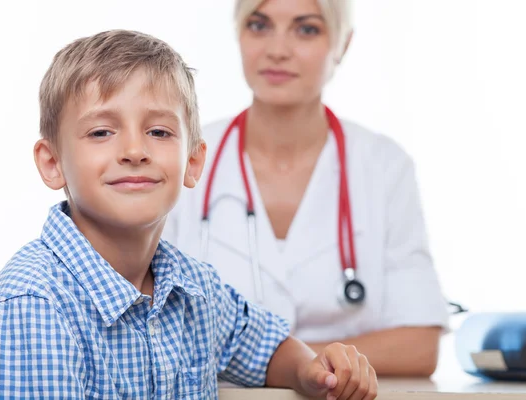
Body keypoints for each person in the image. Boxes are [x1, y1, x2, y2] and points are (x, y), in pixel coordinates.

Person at [0, 30, 378, 399]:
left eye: (159, 132)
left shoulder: (194, 289)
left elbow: (264, 346)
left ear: (193, 162)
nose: (135, 151)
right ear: (52, 163)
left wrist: (309, 370)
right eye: (102, 132)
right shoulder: (35, 309)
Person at [162, 0, 449, 377]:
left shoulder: (383, 166)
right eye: (259, 25)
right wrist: (305, 358)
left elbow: (418, 347)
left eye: (307, 29)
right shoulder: (179, 153)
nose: (277, 50)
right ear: (238, 36)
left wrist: (277, 357)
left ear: (343, 44)